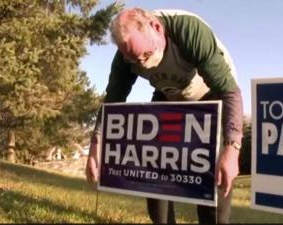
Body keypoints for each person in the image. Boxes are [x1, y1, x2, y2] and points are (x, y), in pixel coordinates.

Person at [86, 7, 243, 224]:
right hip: (168, 93)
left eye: (147, 54)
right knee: (153, 165)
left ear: (157, 28)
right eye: (134, 59)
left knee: (213, 178)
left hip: (211, 94)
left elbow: (229, 92)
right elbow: (114, 98)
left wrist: (232, 148)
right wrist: (97, 143)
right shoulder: (127, 52)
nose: (142, 63)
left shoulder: (188, 31)